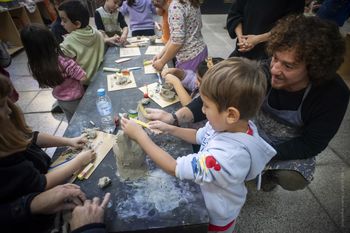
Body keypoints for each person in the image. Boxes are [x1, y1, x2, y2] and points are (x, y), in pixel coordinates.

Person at [164, 14, 350, 192]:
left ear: (314, 69)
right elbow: (221, 93)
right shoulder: (265, 70)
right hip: (251, 133)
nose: (275, 69)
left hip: (288, 146)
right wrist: (176, 117)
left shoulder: (333, 94)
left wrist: (255, 154)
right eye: (275, 58)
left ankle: (268, 177)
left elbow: (312, 144)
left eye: (288, 66)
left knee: (292, 178)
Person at [121, 57, 276, 232]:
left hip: (215, 217)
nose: (202, 110)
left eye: (207, 106)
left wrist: (140, 136)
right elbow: (199, 135)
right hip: (207, 195)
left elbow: (173, 167)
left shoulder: (228, 156)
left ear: (231, 114)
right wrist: (170, 127)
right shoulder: (227, 125)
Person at [0, 74, 96, 205]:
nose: (9, 110)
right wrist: (79, 161)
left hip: (46, 170)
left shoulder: (7, 127)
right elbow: (40, 183)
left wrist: (69, 141)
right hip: (39, 197)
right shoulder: (6, 159)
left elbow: (31, 137)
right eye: (1, 105)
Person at [20, 24, 87, 122]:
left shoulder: (35, 66)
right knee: (83, 120)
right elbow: (83, 77)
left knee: (71, 121)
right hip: (76, 98)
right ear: (51, 41)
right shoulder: (63, 61)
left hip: (61, 99)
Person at [226, 0, 304, 60]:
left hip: (271, 55)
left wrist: (258, 39)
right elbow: (235, 13)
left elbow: (291, 25)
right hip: (242, 51)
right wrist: (241, 38)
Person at [152, 0, 208, 72]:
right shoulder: (190, 1)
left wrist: (162, 62)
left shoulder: (176, 7)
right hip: (199, 51)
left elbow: (177, 42)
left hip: (189, 57)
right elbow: (174, 36)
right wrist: (161, 54)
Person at [58, 0, 105, 85]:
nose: (61, 24)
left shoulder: (69, 41)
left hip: (83, 83)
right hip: (100, 77)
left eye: (64, 21)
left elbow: (62, 62)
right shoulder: (96, 33)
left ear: (77, 24)